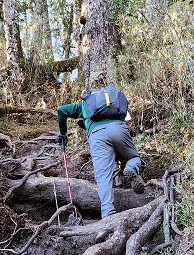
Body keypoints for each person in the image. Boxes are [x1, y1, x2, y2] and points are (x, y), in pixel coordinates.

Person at [56, 89, 145, 218]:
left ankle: (108, 213)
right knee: (133, 157)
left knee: (103, 177)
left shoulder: (84, 105)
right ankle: (131, 168)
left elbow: (61, 110)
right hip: (119, 129)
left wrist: (63, 133)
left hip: (98, 136)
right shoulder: (114, 104)